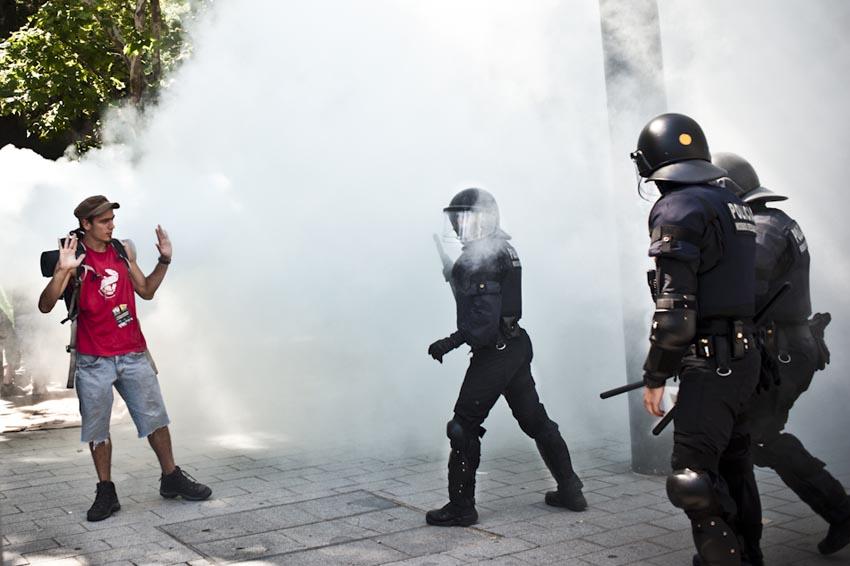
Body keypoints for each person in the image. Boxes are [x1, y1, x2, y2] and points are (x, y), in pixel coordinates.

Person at [631, 114, 763, 565]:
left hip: (710, 362)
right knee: (735, 467)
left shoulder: (677, 208)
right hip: (745, 359)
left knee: (692, 480)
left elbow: (674, 316)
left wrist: (655, 376)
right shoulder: (733, 202)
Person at [38, 195, 211, 522]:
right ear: (85, 224)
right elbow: (45, 305)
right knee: (97, 430)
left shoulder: (121, 250)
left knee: (155, 418)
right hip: (93, 360)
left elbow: (145, 290)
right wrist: (62, 272)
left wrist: (165, 261)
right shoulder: (74, 257)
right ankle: (106, 491)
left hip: (132, 353)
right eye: (103, 221)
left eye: (111, 219)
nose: (111, 225)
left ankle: (170, 477)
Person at [713, 152, 850, 556]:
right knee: (759, 440)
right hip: (787, 347)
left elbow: (745, 297)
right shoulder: (773, 222)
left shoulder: (761, 230)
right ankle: (840, 512)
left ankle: (737, 546)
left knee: (742, 442)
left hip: (782, 351)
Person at [425, 188, 586, 527]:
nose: (457, 227)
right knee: (535, 420)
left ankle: (461, 508)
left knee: (462, 427)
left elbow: (482, 326)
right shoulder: (500, 250)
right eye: (455, 220)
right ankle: (571, 489)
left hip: (495, 353)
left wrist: (449, 342)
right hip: (514, 346)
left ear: (487, 220)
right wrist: (458, 277)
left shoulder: (480, 259)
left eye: (465, 219)